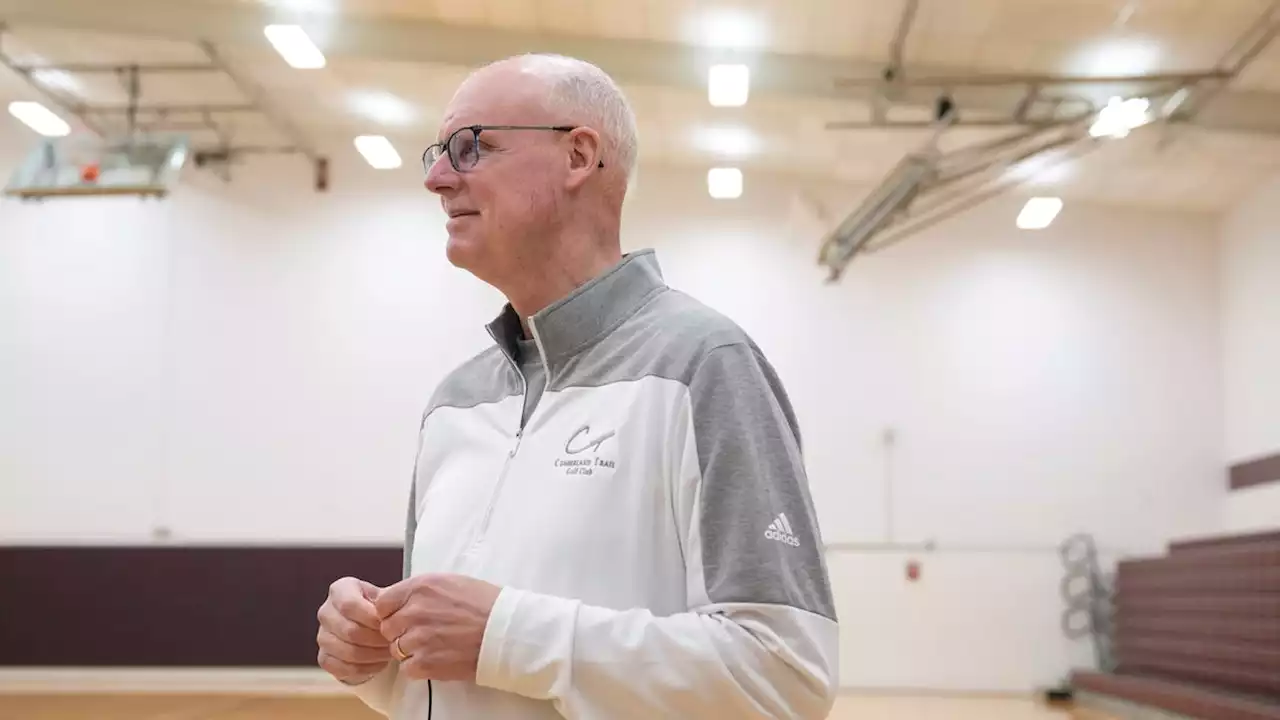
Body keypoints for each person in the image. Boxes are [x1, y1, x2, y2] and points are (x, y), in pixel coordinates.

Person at [315, 53, 839, 719]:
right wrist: (378, 656)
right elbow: (461, 677)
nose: (438, 179)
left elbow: (784, 675)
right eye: (437, 154)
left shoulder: (704, 364)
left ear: (578, 156)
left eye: (472, 146)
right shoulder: (455, 402)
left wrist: (508, 634)